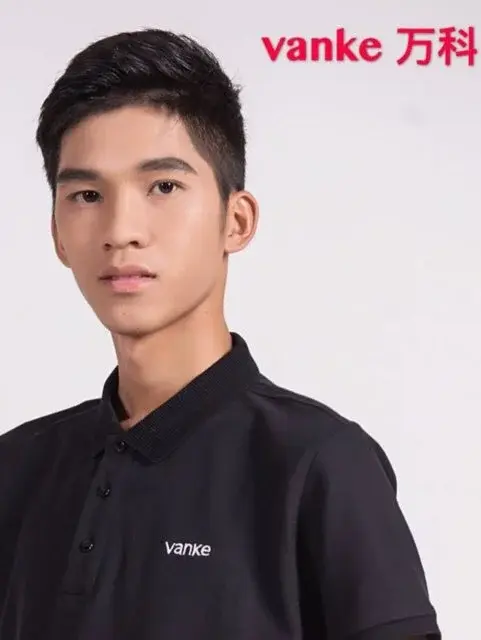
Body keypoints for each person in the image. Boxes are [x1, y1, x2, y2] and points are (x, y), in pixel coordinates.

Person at [0, 28, 441, 640]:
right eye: (87, 194)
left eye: (163, 186)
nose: (121, 230)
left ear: (236, 220)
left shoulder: (320, 464)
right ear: (57, 234)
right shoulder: (16, 467)